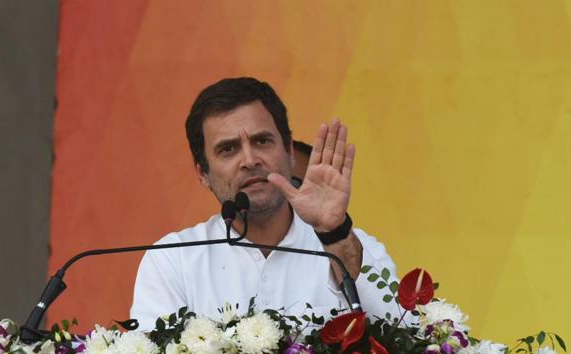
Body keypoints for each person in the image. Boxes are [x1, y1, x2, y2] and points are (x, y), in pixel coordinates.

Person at [131, 77, 400, 331]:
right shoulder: (173, 259)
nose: (250, 160)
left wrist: (334, 232)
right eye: (228, 149)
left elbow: (400, 333)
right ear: (203, 173)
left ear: (290, 152)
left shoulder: (355, 245)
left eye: (262, 141)